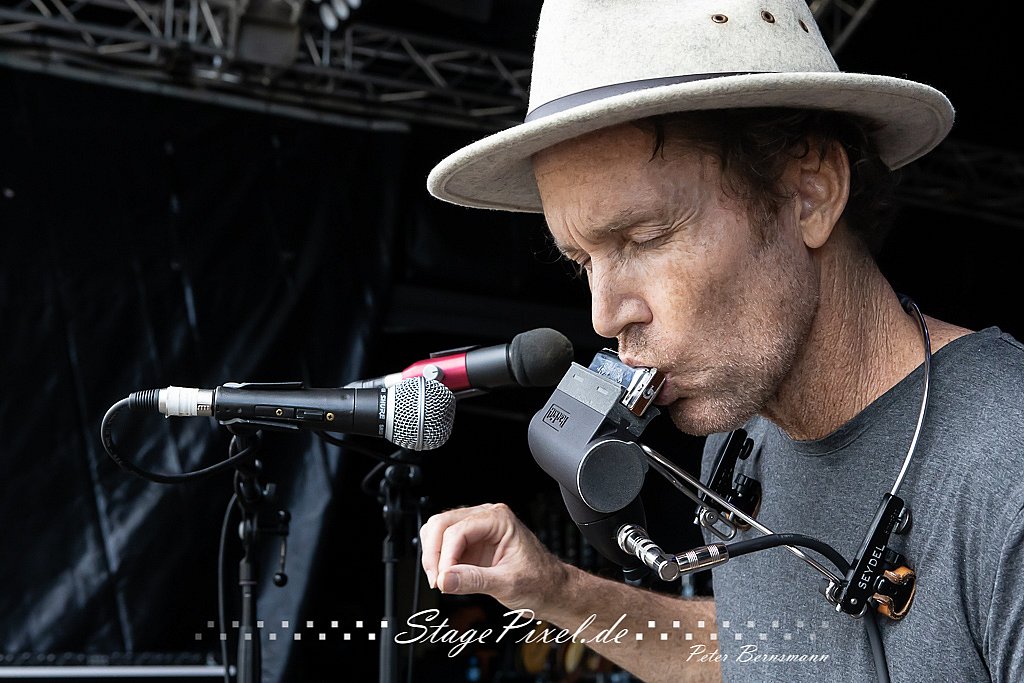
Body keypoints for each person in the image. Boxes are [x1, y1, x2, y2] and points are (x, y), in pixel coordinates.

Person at [418, 1, 1024, 681]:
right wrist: (555, 591)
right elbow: (773, 653)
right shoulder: (740, 447)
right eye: (583, 260)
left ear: (811, 192)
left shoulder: (1007, 469)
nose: (604, 314)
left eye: (645, 236)